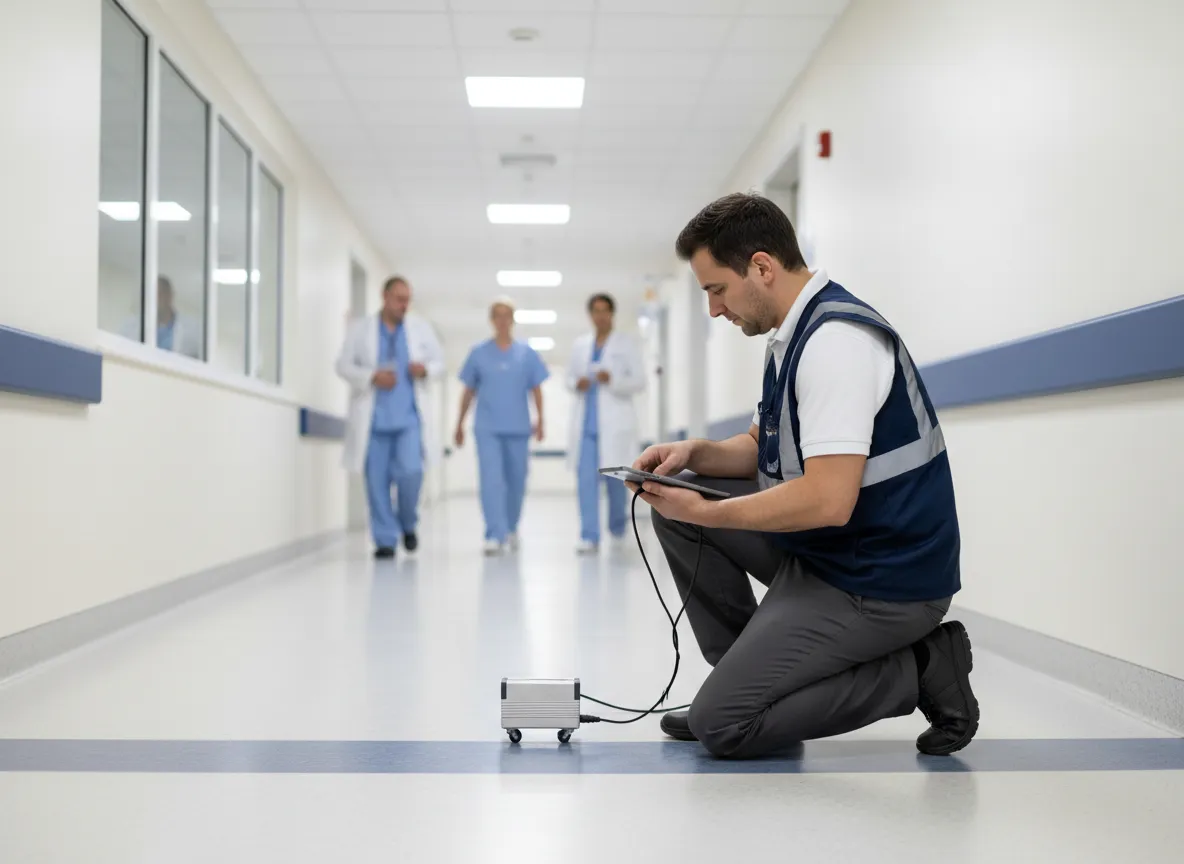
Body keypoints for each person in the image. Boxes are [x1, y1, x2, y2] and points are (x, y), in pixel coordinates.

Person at [628, 192, 977, 760]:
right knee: (678, 507)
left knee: (724, 727)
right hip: (832, 555)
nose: (714, 310)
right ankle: (751, 681)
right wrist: (693, 453)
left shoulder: (836, 343)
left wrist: (711, 512)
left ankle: (921, 666)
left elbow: (827, 500)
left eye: (716, 289)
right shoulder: (791, 336)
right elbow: (758, 447)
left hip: (882, 582)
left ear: (761, 267)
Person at [336, 276, 444, 559]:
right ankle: (385, 539)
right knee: (376, 483)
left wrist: (425, 370)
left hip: (408, 419)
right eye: (399, 299)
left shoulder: (420, 329)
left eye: (407, 299)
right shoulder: (361, 330)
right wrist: (371, 376)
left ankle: (408, 523)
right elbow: (343, 365)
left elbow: (440, 362)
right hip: (373, 422)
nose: (404, 305)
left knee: (412, 473)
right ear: (385, 297)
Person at [454, 297, 549, 555]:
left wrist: (540, 420)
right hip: (487, 428)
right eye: (498, 315)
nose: (503, 320)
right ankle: (494, 533)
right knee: (491, 480)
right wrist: (459, 423)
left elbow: (536, 389)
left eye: (507, 315)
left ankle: (510, 527)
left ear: (513, 320)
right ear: (491, 320)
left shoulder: (526, 354)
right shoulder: (478, 353)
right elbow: (468, 390)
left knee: (517, 481)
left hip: (518, 428)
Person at [565, 293, 645, 553]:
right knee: (586, 482)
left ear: (612, 314)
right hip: (586, 427)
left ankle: (618, 529)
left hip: (614, 425)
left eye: (605, 310)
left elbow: (640, 381)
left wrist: (612, 379)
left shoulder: (626, 343)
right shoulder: (580, 345)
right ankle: (589, 536)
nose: (600, 315)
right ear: (590, 315)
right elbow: (568, 378)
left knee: (615, 482)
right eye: (595, 311)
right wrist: (577, 383)